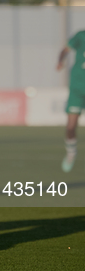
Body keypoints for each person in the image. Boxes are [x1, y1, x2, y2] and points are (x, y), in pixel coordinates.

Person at [57, 30, 85, 172]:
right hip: (78, 89)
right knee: (70, 127)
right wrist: (60, 61)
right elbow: (65, 49)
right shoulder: (81, 36)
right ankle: (71, 153)